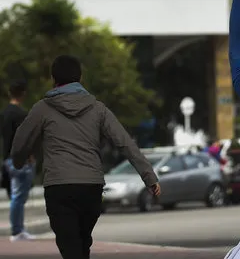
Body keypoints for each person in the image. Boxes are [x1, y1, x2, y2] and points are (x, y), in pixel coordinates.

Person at [10, 55, 162, 259]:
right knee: (81, 244)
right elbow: (125, 143)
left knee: (70, 246)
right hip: (91, 188)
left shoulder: (42, 109)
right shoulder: (98, 109)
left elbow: (20, 142)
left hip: (59, 188)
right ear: (79, 78)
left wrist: (19, 162)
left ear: (54, 79)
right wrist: (149, 177)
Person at [1, 81, 36, 241]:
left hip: (7, 158)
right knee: (19, 196)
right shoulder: (21, 114)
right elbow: (24, 138)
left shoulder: (4, 113)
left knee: (16, 195)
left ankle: (18, 229)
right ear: (22, 94)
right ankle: (17, 231)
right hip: (20, 160)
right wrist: (29, 156)